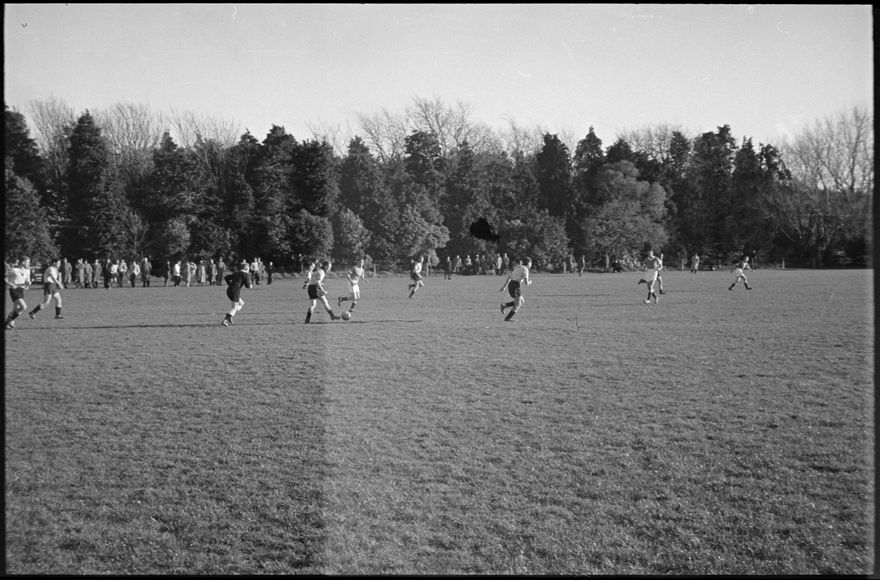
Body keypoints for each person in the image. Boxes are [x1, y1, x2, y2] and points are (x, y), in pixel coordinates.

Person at [499, 257, 532, 321]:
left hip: (511, 285)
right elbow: (526, 283)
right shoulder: (525, 270)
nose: (531, 265)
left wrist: (504, 287)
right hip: (515, 286)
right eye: (531, 263)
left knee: (521, 301)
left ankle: (504, 305)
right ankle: (507, 318)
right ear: (529, 263)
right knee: (518, 304)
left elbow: (509, 277)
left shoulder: (518, 267)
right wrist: (530, 282)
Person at [221, 260, 252, 327]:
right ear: (246, 268)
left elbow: (226, 278)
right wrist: (251, 286)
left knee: (241, 303)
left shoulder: (238, 273)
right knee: (234, 308)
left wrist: (230, 285)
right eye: (249, 268)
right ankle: (226, 319)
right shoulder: (246, 274)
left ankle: (230, 314)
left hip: (229, 290)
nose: (249, 269)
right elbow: (248, 286)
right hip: (235, 291)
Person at [5, 257, 32, 329]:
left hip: (21, 290)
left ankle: (8, 322)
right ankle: (9, 321)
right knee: (24, 306)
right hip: (14, 290)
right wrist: (10, 284)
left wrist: (28, 283)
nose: (29, 264)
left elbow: (27, 281)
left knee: (15, 309)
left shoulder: (28, 271)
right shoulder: (14, 270)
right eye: (28, 262)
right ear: (23, 262)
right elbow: (5, 279)